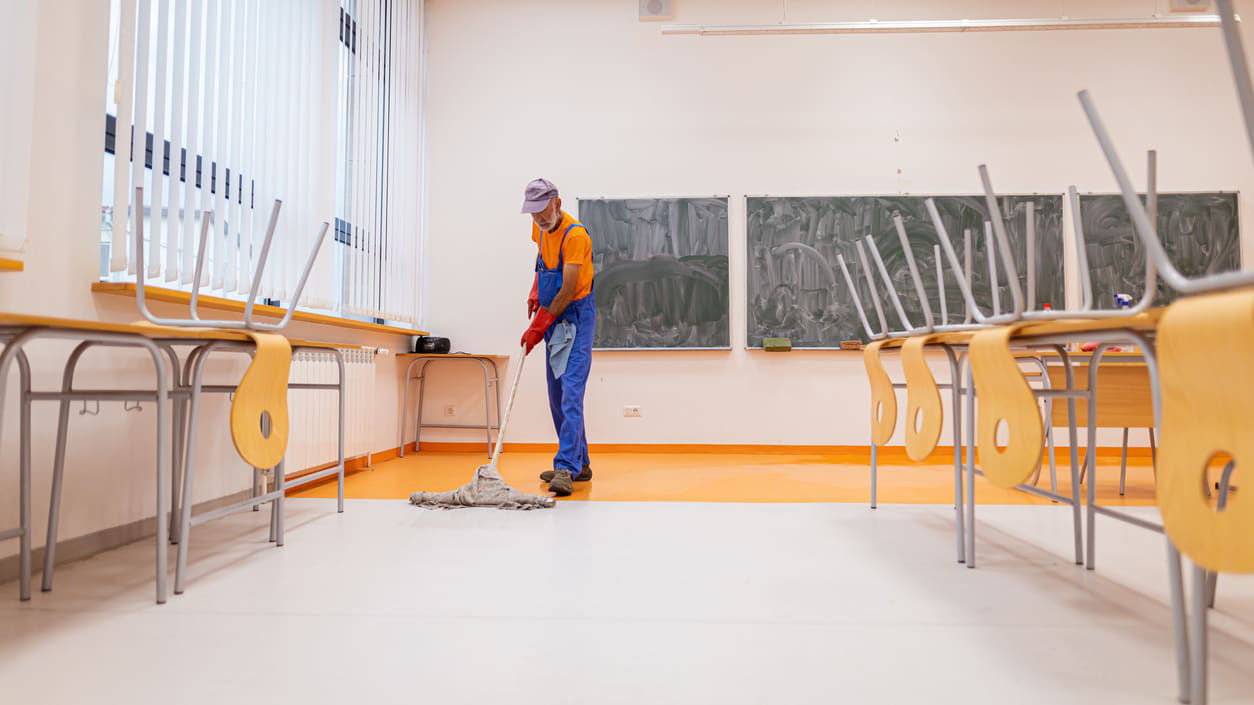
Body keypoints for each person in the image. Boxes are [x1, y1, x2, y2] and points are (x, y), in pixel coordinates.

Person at [519, 178, 596, 496]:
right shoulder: (539, 229)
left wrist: (539, 326)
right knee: (556, 394)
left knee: (571, 393)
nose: (538, 218)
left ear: (557, 203)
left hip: (575, 316)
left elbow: (567, 289)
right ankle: (581, 464)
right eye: (533, 212)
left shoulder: (574, 235)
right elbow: (541, 261)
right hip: (553, 313)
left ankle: (565, 466)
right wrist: (536, 290)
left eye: (543, 210)